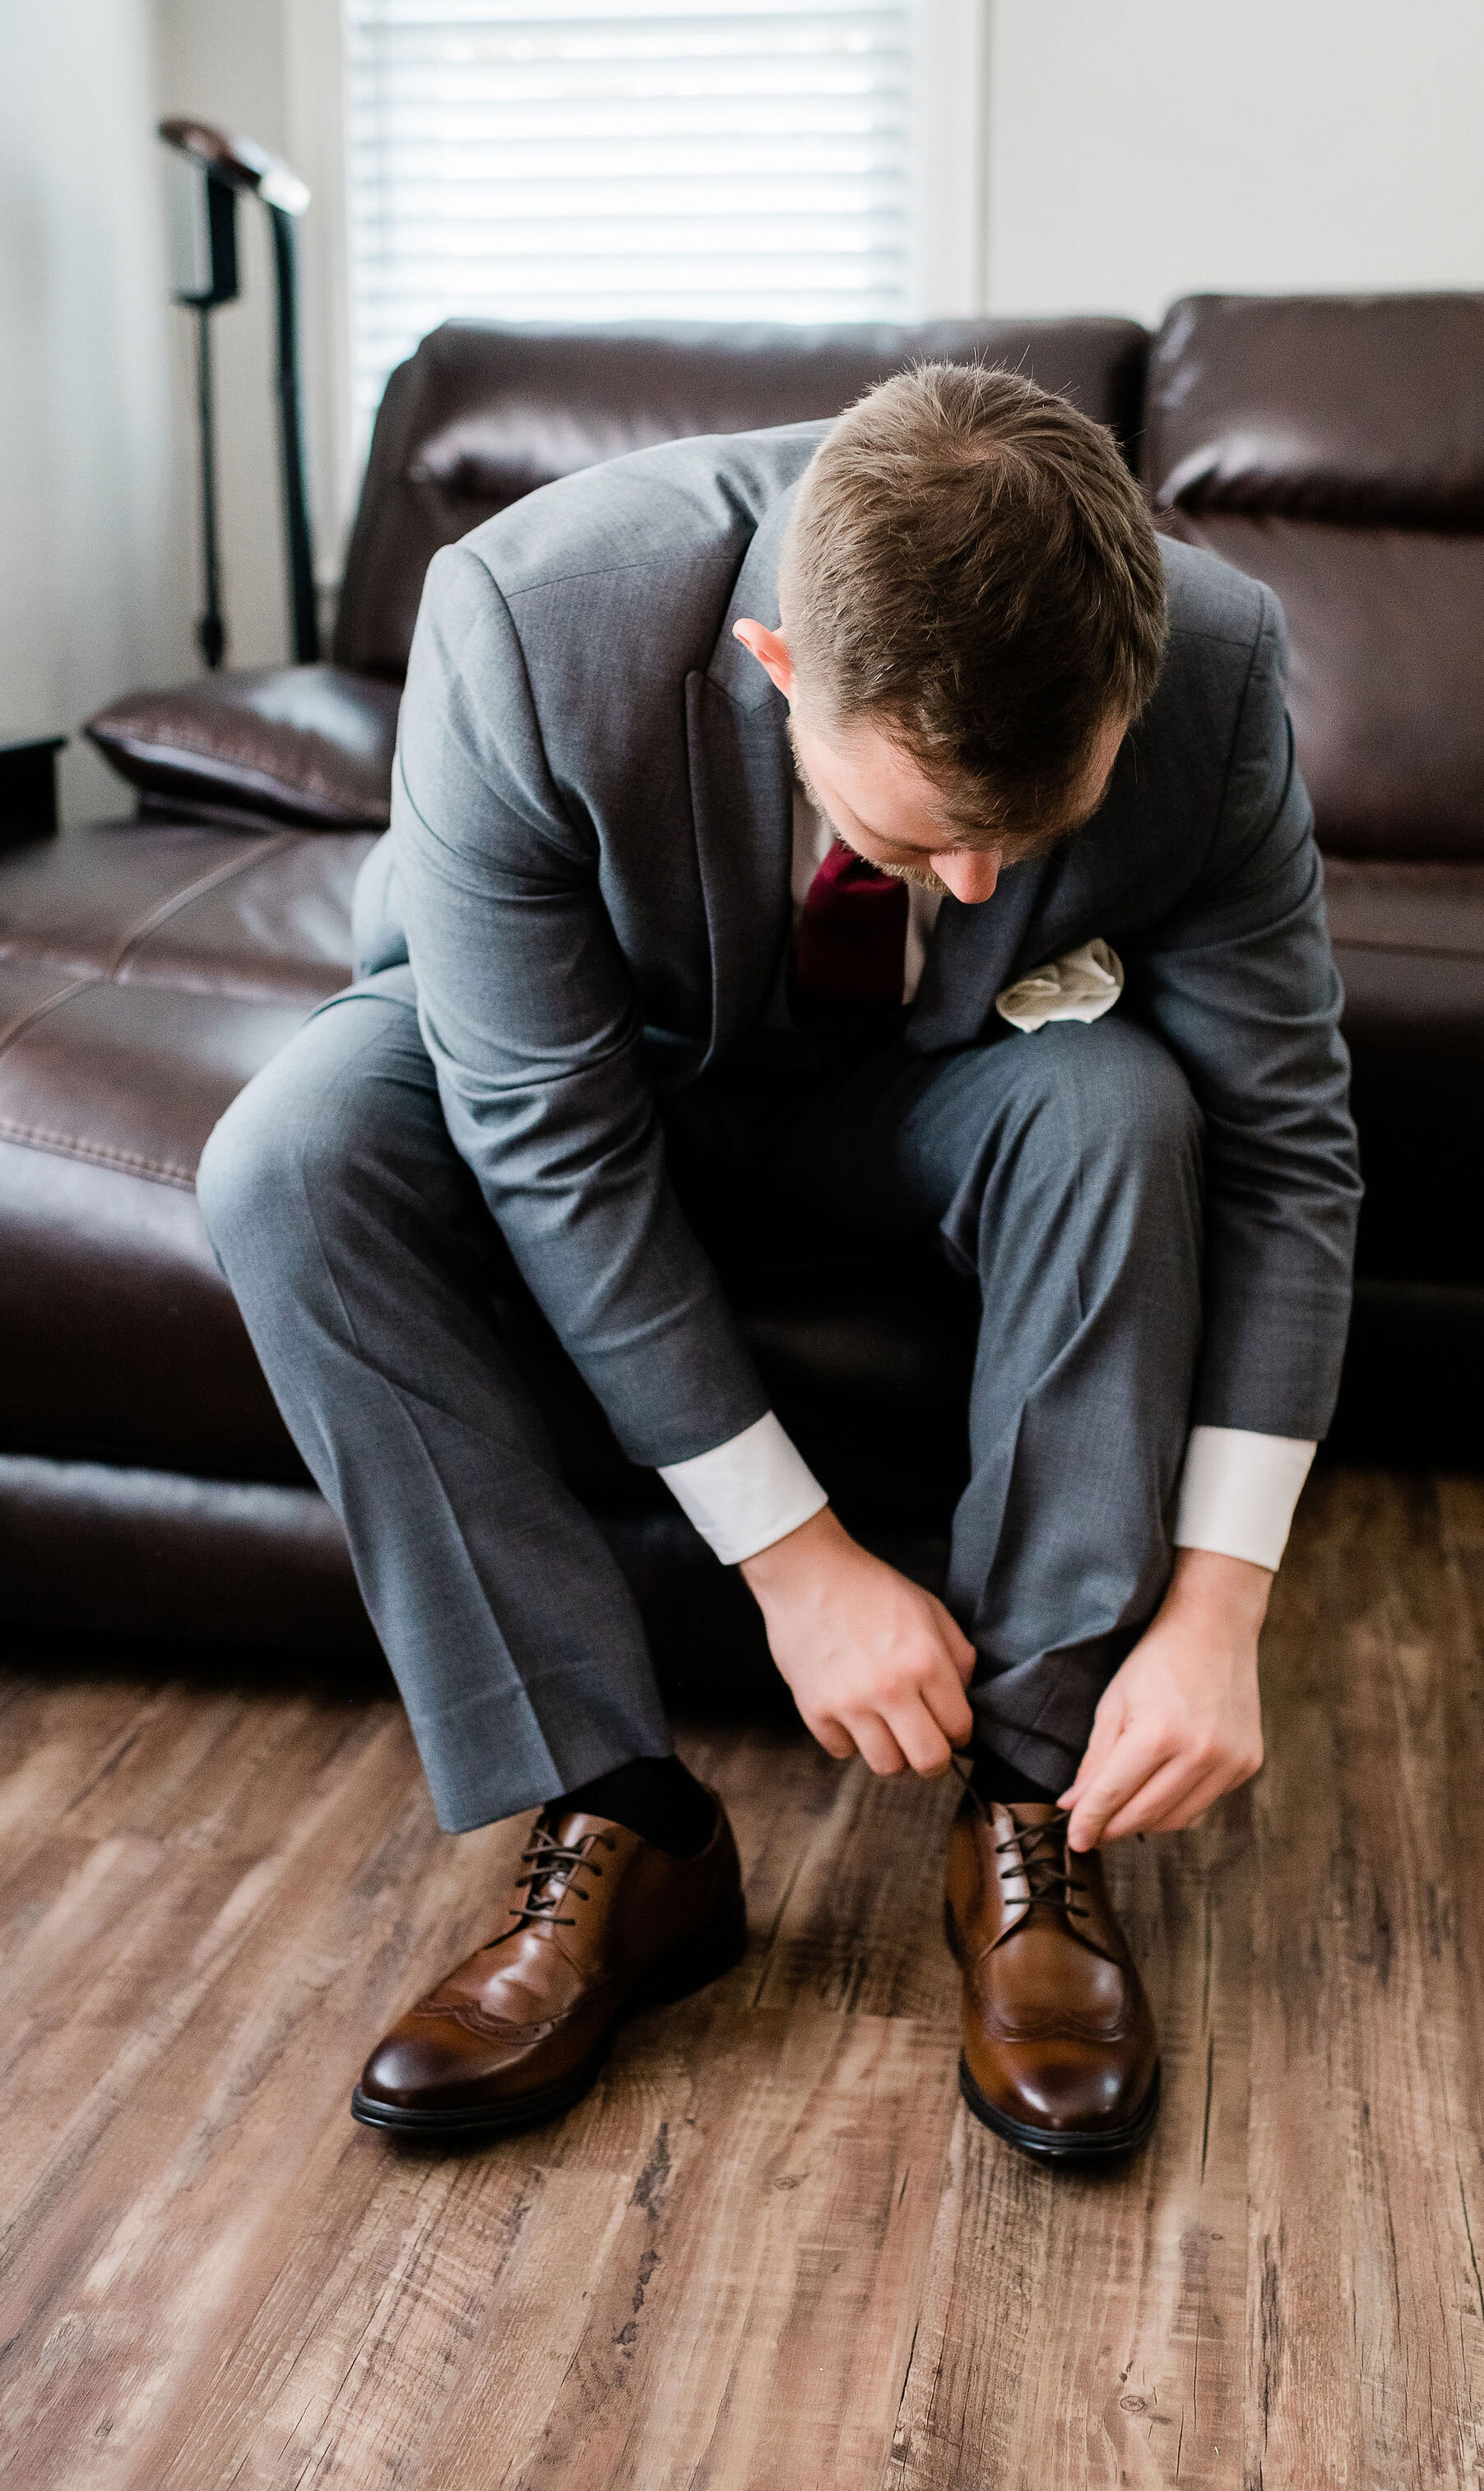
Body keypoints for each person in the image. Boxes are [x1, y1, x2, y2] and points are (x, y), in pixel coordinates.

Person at [198, 364, 1361, 2164]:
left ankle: (1032, 1806)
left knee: (1122, 1109)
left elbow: (1288, 1145)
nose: (976, 885)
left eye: (1026, 839)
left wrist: (1221, 1610)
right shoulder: (529, 621)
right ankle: (624, 1819)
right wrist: (798, 1560)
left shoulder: (1208, 658)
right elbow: (547, 1139)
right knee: (286, 1158)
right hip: (591, 1058)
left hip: (929, 1091)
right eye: (916, 837)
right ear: (779, 669)